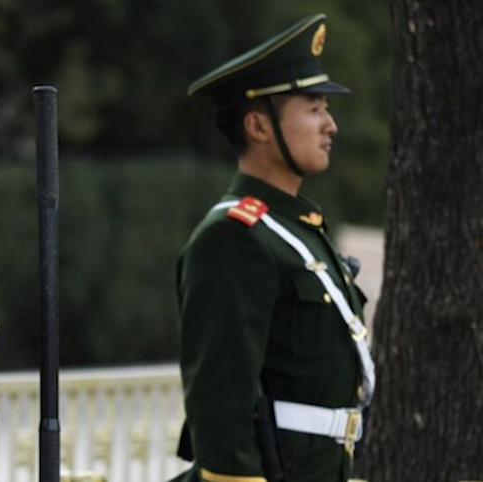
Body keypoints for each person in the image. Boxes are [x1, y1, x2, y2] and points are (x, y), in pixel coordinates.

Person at [171, 14, 376, 482]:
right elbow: (220, 404)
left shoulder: (300, 229)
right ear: (259, 126)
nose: (331, 125)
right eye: (314, 108)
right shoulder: (233, 237)